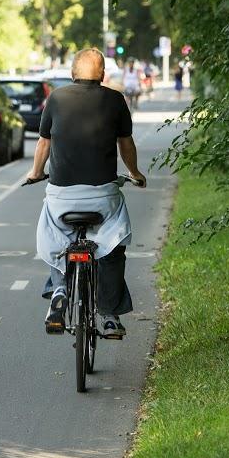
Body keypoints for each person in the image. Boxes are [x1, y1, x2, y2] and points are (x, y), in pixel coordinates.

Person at [25, 48, 147, 338]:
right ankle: (110, 315)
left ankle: (58, 290)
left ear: (72, 74)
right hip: (102, 196)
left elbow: (44, 144)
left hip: (62, 196)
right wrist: (135, 173)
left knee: (53, 235)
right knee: (114, 244)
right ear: (103, 75)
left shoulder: (56, 98)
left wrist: (34, 172)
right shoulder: (115, 99)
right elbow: (125, 145)